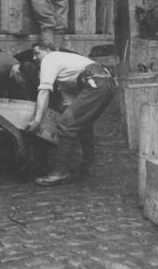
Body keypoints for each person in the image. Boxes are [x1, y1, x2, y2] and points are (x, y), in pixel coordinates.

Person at [25, 41, 116, 186]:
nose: (35, 58)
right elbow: (69, 105)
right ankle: (88, 166)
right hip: (107, 84)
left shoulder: (50, 58)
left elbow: (43, 92)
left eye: (37, 53)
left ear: (48, 50)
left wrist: (37, 121)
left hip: (97, 82)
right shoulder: (64, 72)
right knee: (82, 123)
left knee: (66, 124)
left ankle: (60, 172)